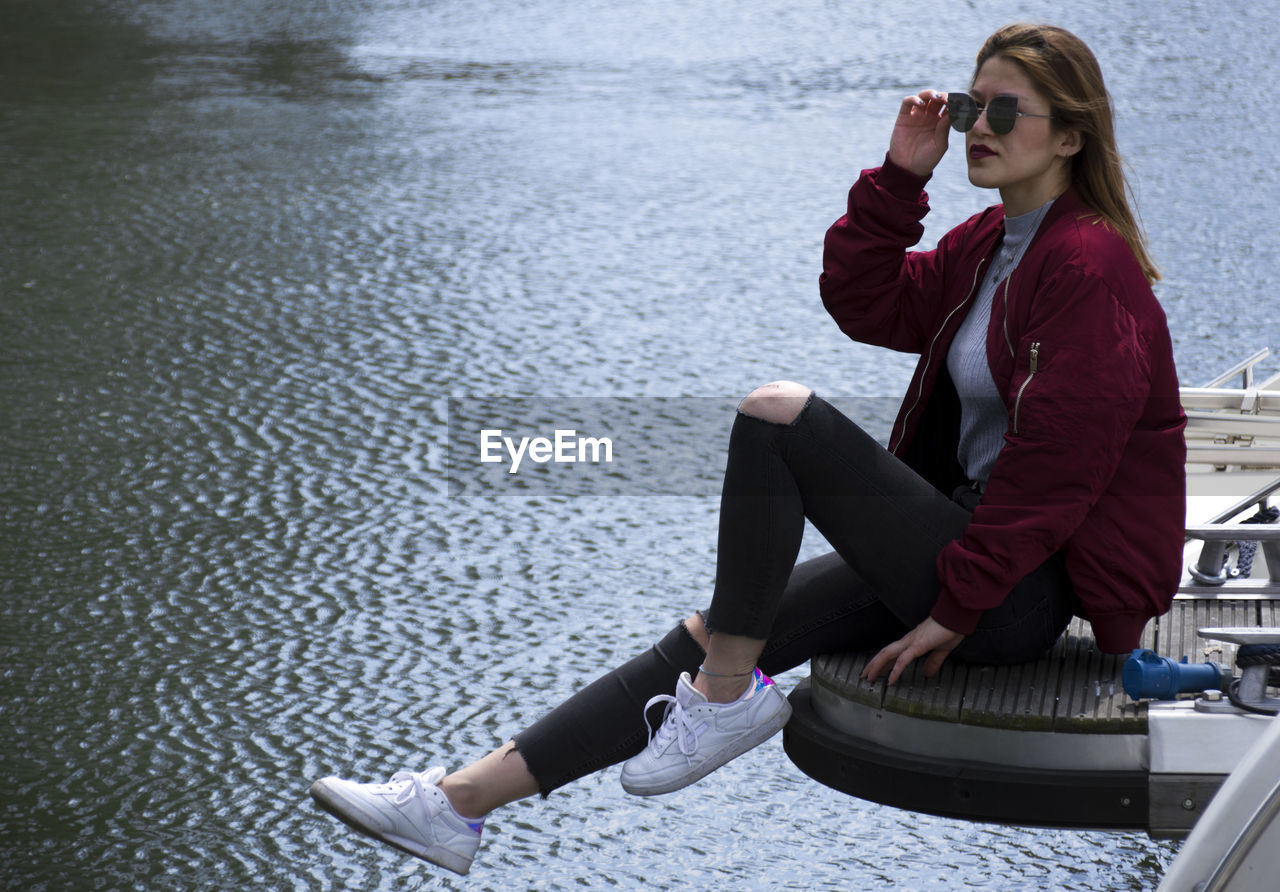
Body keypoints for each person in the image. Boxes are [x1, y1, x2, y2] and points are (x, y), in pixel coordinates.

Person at [308, 23, 1186, 875]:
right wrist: (897, 178)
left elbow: (1058, 473)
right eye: (968, 108)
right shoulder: (991, 246)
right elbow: (866, 301)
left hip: (1019, 593)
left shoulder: (1087, 267)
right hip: (972, 553)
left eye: (1005, 112)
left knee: (778, 418)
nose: (977, 130)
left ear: (1071, 135)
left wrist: (959, 609)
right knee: (715, 630)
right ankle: (457, 803)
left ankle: (723, 697)